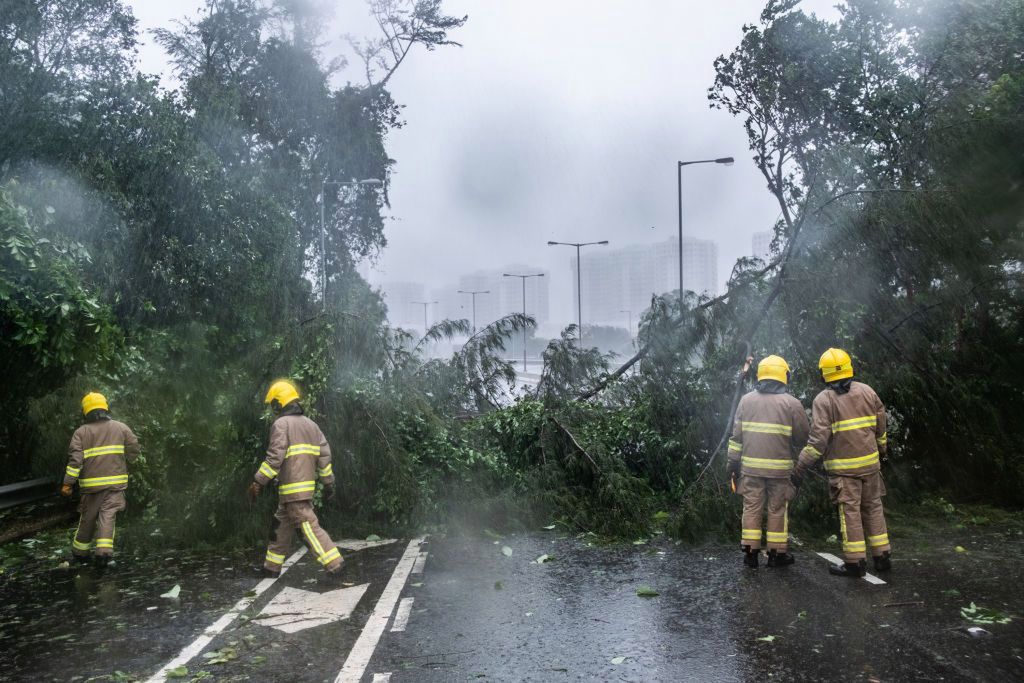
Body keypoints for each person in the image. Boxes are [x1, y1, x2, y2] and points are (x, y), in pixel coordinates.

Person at [791, 348, 891, 577]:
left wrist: (801, 466)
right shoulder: (867, 391)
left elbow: (818, 441)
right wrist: (882, 449)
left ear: (824, 373)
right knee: (874, 507)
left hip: (845, 472)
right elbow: (881, 424)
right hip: (871, 466)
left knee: (851, 513)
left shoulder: (824, 400)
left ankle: (855, 563)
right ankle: (882, 556)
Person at [248, 380, 343, 576]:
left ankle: (335, 564)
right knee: (280, 528)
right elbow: (324, 457)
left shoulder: (281, 424)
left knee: (308, 528)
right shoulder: (312, 425)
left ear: (279, 403)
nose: (272, 409)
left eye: (273, 404)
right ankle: (270, 568)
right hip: (298, 491)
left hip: (293, 490)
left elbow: (275, 457)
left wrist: (258, 481)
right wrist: (328, 484)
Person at [727, 355, 809, 569]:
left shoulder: (746, 401)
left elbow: (736, 438)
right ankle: (776, 555)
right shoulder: (792, 404)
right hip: (780, 472)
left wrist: (732, 465)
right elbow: (803, 438)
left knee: (752, 508)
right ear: (784, 376)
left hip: (751, 470)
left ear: (760, 375)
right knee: (777, 509)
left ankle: (751, 554)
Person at [61, 392, 140, 568]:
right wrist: (129, 458)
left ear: (86, 412)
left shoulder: (81, 433)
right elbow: (134, 448)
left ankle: (80, 554)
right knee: (108, 516)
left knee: (88, 518)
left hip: (91, 488)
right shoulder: (121, 427)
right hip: (115, 485)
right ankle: (104, 554)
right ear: (105, 408)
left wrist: (68, 483)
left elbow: (75, 462)